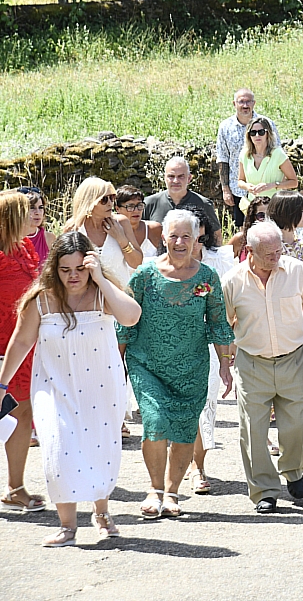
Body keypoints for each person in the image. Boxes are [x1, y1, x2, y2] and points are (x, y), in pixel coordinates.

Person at [0, 232, 141, 546]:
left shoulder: (103, 293)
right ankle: (68, 526)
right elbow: (22, 341)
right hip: (54, 388)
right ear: (55, 268)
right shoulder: (42, 299)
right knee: (58, 450)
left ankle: (102, 512)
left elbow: (131, 317)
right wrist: (1, 383)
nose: (73, 276)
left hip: (101, 387)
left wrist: (101, 278)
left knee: (99, 451)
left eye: (80, 268)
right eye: (65, 270)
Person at [118, 210, 235, 519]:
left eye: (186, 236)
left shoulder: (206, 278)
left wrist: (224, 364)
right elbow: (126, 322)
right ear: (164, 239)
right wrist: (118, 362)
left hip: (191, 366)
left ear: (197, 238)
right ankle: (155, 490)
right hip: (148, 364)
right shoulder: (144, 275)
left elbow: (218, 322)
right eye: (173, 236)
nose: (180, 242)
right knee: (154, 425)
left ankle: (172, 493)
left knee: (184, 430)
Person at [221, 221, 303, 513]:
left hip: (293, 359)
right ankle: (264, 489)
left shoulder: (297, 271)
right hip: (252, 363)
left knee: (300, 422)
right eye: (268, 253)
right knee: (252, 429)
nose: (276, 257)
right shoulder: (232, 280)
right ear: (249, 251)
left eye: (279, 250)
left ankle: (292, 469)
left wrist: (296, 334)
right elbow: (226, 324)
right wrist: (227, 364)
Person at [188, 210, 238, 495]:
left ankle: (198, 466)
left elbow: (225, 313)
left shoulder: (219, 262)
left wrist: (226, 356)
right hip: (172, 346)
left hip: (208, 344)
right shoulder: (157, 266)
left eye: (197, 234)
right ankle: (179, 462)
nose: (192, 241)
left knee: (205, 405)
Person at [0, 192, 43, 515]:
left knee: (20, 416)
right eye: (26, 211)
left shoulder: (25, 247)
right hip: (3, 349)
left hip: (24, 349)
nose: (35, 214)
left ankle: (15, 488)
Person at [216, 88, 280, 228]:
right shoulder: (225, 127)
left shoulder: (267, 124)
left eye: (248, 101)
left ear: (254, 103)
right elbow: (223, 158)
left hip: (265, 188)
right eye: (241, 102)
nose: (245, 105)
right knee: (242, 230)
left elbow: (277, 153)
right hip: (239, 189)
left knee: (269, 228)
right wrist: (225, 189)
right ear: (234, 104)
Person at [63, 177, 142, 287]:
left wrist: (121, 239)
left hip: (119, 296)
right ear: (89, 202)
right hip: (88, 297)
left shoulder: (121, 223)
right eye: (104, 200)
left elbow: (137, 263)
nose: (110, 203)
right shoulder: (74, 227)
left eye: (112, 198)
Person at [144, 157, 222, 245]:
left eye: (181, 176)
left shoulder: (203, 204)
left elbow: (216, 237)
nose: (176, 181)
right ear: (164, 178)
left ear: (189, 178)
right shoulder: (149, 203)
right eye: (171, 176)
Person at [237, 116, 299, 214]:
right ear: (249, 136)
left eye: (261, 132)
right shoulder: (244, 154)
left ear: (267, 133)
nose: (257, 135)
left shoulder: (278, 154)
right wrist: (248, 187)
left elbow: (294, 182)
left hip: (275, 207)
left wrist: (273, 185)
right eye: (253, 133)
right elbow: (240, 181)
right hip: (253, 208)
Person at [116, 186, 163, 258]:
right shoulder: (112, 231)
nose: (136, 210)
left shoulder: (154, 229)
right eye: (130, 206)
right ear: (117, 209)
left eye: (139, 205)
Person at [15, 187, 49, 267]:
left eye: (41, 207)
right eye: (32, 208)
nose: (37, 212)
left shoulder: (48, 238)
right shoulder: (11, 239)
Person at [230, 196, 271, 261]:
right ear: (253, 217)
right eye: (261, 216)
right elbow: (222, 262)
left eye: (270, 215)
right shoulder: (240, 239)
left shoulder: (280, 240)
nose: (266, 220)